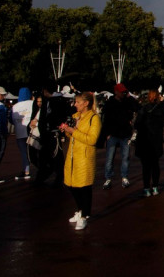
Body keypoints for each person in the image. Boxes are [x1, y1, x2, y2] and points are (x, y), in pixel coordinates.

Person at [60, 92, 102, 230]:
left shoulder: (94, 118)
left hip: (84, 156)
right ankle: (80, 210)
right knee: (71, 184)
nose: (75, 104)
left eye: (78, 102)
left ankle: (84, 215)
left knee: (84, 187)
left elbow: (92, 139)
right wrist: (66, 130)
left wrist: (73, 131)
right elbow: (70, 134)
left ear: (86, 103)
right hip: (72, 155)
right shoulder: (75, 116)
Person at [101, 83, 136, 190]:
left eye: (124, 91)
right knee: (109, 158)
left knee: (125, 157)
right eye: (122, 91)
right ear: (116, 92)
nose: (123, 93)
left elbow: (136, 107)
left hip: (125, 133)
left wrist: (129, 97)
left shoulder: (127, 102)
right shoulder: (110, 103)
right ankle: (108, 178)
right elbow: (105, 119)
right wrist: (106, 134)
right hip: (113, 133)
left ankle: (124, 177)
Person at [135, 90, 164, 197]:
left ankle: (146, 188)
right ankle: (155, 187)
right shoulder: (161, 110)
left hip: (145, 140)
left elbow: (137, 124)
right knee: (155, 164)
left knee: (146, 166)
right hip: (156, 140)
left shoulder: (143, 109)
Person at [11, 87, 35, 180]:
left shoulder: (15, 106)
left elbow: (11, 120)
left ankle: (26, 171)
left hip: (19, 132)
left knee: (24, 153)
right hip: (32, 131)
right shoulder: (33, 103)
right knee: (36, 151)